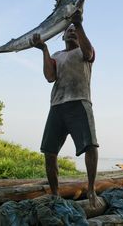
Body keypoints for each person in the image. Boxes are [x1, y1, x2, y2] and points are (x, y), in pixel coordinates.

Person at [30, 11, 102, 208]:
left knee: (90, 146)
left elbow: (88, 53)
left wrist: (79, 25)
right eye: (68, 31)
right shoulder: (56, 55)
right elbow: (50, 77)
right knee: (49, 151)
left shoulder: (84, 52)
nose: (71, 33)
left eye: (74, 32)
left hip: (80, 102)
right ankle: (55, 193)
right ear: (61, 36)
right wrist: (44, 49)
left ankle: (91, 188)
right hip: (57, 106)